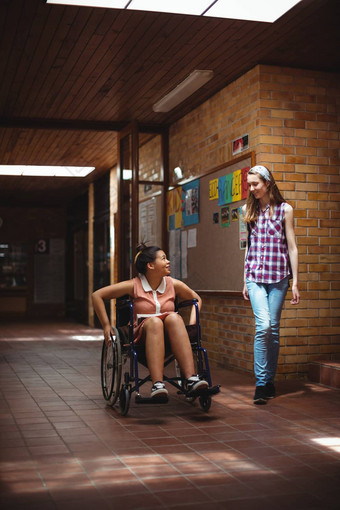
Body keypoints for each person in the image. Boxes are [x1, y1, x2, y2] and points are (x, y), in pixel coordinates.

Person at [92, 243, 208, 401]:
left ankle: (191, 379)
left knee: (174, 317)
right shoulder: (134, 285)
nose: (168, 262)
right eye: (163, 258)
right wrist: (106, 325)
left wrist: (192, 323)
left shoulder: (173, 284)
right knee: (155, 322)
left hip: (171, 332)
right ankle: (158, 384)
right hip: (144, 332)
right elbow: (97, 295)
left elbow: (197, 300)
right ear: (150, 265)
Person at [242, 165, 300, 405]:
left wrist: (295, 281)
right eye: (250, 184)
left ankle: (269, 381)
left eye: (255, 183)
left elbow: (292, 246)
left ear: (267, 183)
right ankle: (261, 383)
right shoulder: (248, 210)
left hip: (278, 278)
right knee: (263, 326)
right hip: (255, 277)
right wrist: (243, 279)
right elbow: (248, 247)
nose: (252, 188)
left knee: (273, 330)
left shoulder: (285, 210)